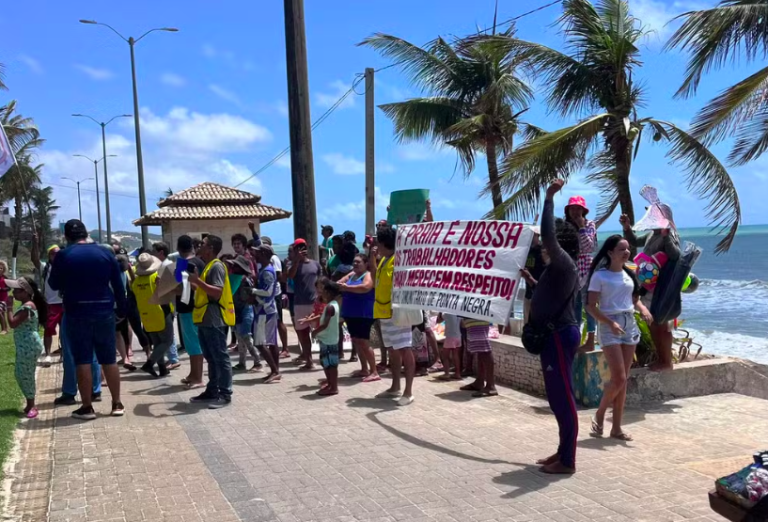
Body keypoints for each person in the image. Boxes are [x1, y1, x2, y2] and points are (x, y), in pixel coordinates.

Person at [49, 219, 126, 420]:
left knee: (82, 359)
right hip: (104, 311)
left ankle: (87, 407)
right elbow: (118, 286)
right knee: (109, 359)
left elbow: (54, 283)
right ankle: (117, 403)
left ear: (66, 236)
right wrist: (122, 311)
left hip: (77, 312)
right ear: (86, 234)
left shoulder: (64, 255)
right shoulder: (106, 253)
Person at [529, 180, 581, 474]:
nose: (541, 244)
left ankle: (568, 461)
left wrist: (548, 198)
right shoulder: (558, 268)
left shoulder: (564, 262)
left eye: (548, 242)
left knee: (563, 397)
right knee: (557, 396)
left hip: (559, 336)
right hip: (554, 337)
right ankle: (562, 451)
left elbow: (548, 233)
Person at [586, 235, 652, 442]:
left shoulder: (629, 273)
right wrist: (609, 323)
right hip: (609, 325)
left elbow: (634, 299)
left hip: (629, 323)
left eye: (627, 249)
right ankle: (600, 413)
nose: (626, 252)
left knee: (622, 382)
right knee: (619, 378)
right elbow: (590, 306)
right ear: (610, 253)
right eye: (621, 249)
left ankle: (616, 428)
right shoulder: (600, 276)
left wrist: (642, 310)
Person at [621, 212, 681, 372]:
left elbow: (676, 255)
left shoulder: (670, 234)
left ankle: (666, 362)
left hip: (660, 287)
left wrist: (666, 236)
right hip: (648, 286)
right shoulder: (651, 234)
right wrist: (627, 228)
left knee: (661, 324)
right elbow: (634, 241)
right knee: (654, 324)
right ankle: (662, 359)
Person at [370, 224, 416, 406]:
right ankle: (395, 386)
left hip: (398, 313)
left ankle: (408, 391)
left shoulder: (399, 260)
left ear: (384, 243)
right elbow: (376, 279)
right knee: (393, 349)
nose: (376, 246)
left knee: (404, 348)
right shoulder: (384, 260)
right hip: (384, 312)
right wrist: (373, 258)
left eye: (378, 243)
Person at [189, 235, 236, 408]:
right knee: (211, 357)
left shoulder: (216, 266)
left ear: (211, 248)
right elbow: (204, 291)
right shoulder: (208, 266)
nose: (200, 246)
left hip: (214, 319)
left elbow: (216, 292)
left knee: (220, 357)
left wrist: (197, 281)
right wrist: (193, 283)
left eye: (203, 244)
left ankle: (225, 394)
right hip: (205, 318)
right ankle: (213, 390)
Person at [6, 277, 46, 419]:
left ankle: (32, 405)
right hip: (25, 344)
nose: (13, 292)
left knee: (25, 375)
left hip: (28, 345)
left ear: (26, 292)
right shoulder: (26, 304)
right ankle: (30, 403)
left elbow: (12, 324)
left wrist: (9, 307)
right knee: (20, 373)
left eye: (17, 290)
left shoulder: (28, 306)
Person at [338, 253, 379, 382]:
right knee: (356, 341)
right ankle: (364, 369)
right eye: (354, 262)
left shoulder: (368, 274)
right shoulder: (352, 275)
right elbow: (338, 283)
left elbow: (366, 287)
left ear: (366, 264)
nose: (355, 264)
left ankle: (374, 371)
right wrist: (342, 283)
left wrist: (347, 288)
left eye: (358, 262)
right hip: (350, 313)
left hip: (363, 313)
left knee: (364, 342)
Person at [132, 253, 175, 378]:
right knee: (167, 340)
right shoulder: (156, 277)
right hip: (161, 311)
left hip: (146, 314)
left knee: (157, 342)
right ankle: (150, 363)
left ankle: (162, 368)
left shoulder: (136, 282)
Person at [565, 196, 598, 352]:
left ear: (583, 210)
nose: (575, 211)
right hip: (572, 269)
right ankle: (576, 340)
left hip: (587, 269)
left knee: (589, 306)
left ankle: (591, 340)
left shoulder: (590, 224)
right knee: (575, 307)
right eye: (572, 208)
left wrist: (581, 227)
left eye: (578, 208)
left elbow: (589, 247)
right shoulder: (565, 227)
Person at [176, 235, 206, 389]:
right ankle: (193, 374)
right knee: (192, 343)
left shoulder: (183, 263)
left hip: (188, 308)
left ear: (179, 248)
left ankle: (198, 378)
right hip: (196, 306)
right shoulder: (200, 261)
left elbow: (180, 286)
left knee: (193, 344)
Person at [287, 238, 322, 370]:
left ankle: (324, 359)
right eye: (299, 248)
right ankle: (309, 360)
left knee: (320, 331)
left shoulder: (315, 264)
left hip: (315, 303)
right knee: (303, 333)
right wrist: (296, 261)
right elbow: (290, 276)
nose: (302, 250)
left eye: (304, 247)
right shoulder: (293, 265)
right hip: (299, 304)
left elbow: (321, 280)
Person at [226, 255, 262, 372]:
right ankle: (242, 363)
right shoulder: (236, 279)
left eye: (235, 266)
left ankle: (258, 361)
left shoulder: (244, 281)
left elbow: (244, 298)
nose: (232, 268)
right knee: (240, 338)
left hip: (245, 311)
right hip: (237, 311)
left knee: (246, 337)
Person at [252, 245, 281, 383]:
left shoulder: (267, 272)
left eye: (257, 252)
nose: (254, 254)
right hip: (266, 310)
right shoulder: (265, 269)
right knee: (271, 342)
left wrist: (253, 291)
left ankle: (275, 371)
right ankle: (275, 370)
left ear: (263, 254)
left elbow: (268, 292)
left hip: (265, 310)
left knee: (259, 342)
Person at [31, 237, 61, 366]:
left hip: (65, 302)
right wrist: (35, 244)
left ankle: (64, 353)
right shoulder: (45, 267)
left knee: (66, 330)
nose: (56, 255)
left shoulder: (65, 265)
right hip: (50, 303)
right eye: (54, 253)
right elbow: (34, 260)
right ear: (49, 255)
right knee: (48, 329)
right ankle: (48, 355)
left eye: (58, 253)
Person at [151, 242, 180, 370]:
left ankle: (173, 358)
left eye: (154, 251)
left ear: (161, 252)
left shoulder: (166, 265)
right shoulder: (164, 265)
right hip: (166, 303)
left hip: (168, 304)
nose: (153, 254)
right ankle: (172, 357)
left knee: (168, 333)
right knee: (168, 333)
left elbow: (176, 283)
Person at [313, 278, 341, 396]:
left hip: (329, 340)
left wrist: (314, 332)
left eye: (324, 291)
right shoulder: (331, 305)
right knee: (325, 363)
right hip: (326, 339)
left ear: (329, 293)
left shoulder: (330, 307)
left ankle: (333, 387)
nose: (322, 293)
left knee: (331, 364)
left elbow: (325, 325)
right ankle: (330, 384)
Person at [459, 319, 497, 397]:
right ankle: (479, 381)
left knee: (485, 350)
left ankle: (490, 386)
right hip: (473, 318)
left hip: (477, 319)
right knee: (480, 349)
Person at [114, 255, 137, 372]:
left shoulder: (113, 273)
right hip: (122, 306)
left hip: (111, 306)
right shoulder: (123, 273)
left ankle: (121, 358)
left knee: (113, 334)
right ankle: (126, 358)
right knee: (120, 333)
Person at [520, 228, 545, 325]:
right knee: (527, 323)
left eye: (533, 235)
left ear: (537, 236)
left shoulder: (543, 250)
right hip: (528, 294)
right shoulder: (526, 251)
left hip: (541, 294)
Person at [436, 313, 462, 381]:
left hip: (450, 336)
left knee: (445, 356)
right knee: (456, 355)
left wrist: (440, 312)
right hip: (458, 336)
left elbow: (438, 321)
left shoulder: (446, 313)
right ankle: (457, 373)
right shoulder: (459, 313)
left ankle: (446, 374)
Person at [0, 260, 10, 335]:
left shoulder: (5, 278)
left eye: (1, 268)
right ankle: (5, 328)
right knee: (2, 314)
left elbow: (9, 288)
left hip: (3, 299)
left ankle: (4, 329)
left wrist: (2, 289)